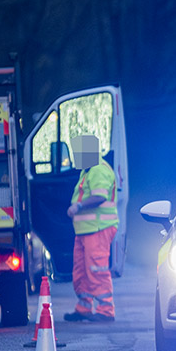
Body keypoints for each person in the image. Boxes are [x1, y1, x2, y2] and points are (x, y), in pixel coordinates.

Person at [64, 135, 119, 322]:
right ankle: (84, 308)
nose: (76, 157)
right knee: (81, 271)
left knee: (96, 269)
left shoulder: (97, 170)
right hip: (86, 230)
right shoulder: (88, 170)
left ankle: (106, 310)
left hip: (99, 228)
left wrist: (78, 206)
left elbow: (99, 197)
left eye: (78, 153)